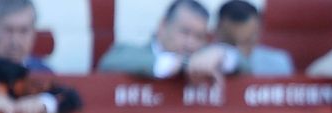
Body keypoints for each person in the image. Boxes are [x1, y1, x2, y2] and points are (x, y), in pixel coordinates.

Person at [97, 0, 238, 84]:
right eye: (185, 32)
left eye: (199, 36)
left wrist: (221, 54)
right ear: (163, 26)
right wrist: (168, 64)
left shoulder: (206, 55)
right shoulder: (129, 53)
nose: (190, 43)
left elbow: (246, 62)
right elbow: (108, 62)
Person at [216, 0, 293, 77]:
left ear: (259, 30)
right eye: (232, 45)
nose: (240, 51)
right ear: (218, 31)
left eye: (247, 42)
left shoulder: (278, 61)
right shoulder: (207, 59)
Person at [0, 0, 50, 73]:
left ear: (33, 33)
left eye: (23, 31)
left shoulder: (46, 77)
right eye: (8, 30)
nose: (15, 41)